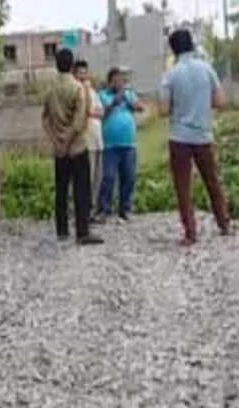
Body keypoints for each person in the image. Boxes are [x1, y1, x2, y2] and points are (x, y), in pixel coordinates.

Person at [160, 29, 230, 246]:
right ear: (191, 45)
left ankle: (190, 232)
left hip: (179, 137)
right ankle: (224, 223)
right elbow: (220, 102)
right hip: (203, 135)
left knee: (183, 186)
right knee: (213, 181)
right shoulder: (207, 69)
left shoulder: (170, 74)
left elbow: (163, 110)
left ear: (173, 49)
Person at [41, 48, 104, 245]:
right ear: (71, 65)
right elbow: (79, 121)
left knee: (61, 188)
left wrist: (56, 141)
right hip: (76, 147)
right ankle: (82, 231)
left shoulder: (50, 89)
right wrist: (68, 141)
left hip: (59, 149)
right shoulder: (78, 88)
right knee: (81, 189)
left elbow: (45, 119)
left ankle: (62, 229)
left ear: (56, 65)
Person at [96, 67, 145, 223]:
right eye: (115, 81)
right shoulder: (102, 95)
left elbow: (140, 107)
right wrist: (113, 102)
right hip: (110, 145)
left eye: (120, 81)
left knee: (129, 177)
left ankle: (125, 209)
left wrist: (129, 101)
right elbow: (101, 114)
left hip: (128, 144)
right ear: (109, 82)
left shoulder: (128, 94)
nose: (118, 83)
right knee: (109, 177)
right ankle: (104, 209)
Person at [73, 59, 104, 220]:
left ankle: (93, 209)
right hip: (86, 141)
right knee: (87, 178)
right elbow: (84, 112)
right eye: (80, 73)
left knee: (98, 178)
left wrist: (92, 112)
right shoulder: (76, 91)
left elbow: (100, 112)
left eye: (85, 72)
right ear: (74, 74)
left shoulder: (92, 91)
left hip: (98, 139)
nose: (83, 76)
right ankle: (83, 212)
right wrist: (91, 112)